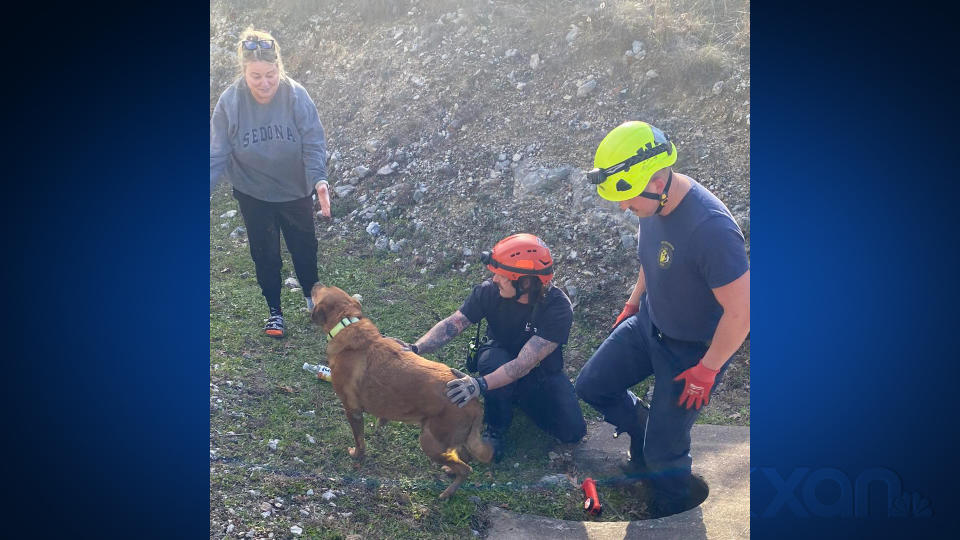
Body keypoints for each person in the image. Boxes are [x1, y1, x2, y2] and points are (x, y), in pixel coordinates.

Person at [574, 121, 750, 514]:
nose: (624, 206)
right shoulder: (651, 202)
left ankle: (670, 513)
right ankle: (645, 424)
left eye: (629, 198)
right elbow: (649, 260)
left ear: (657, 179)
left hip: (691, 354)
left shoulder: (711, 230)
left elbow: (742, 313)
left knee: (664, 453)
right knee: (592, 385)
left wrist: (708, 369)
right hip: (649, 324)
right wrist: (634, 305)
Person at [394, 234, 586, 462]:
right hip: (499, 355)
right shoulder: (489, 292)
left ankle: (516, 395)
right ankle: (495, 427)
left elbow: (523, 364)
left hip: (539, 370)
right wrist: (415, 349)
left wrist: (478, 385)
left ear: (525, 282)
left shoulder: (557, 308)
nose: (494, 279)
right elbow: (454, 323)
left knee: (572, 432)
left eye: (502, 276)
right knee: (492, 362)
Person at [210, 27, 332, 339]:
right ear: (244, 72)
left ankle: (312, 302)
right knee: (264, 252)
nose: (265, 83)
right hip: (253, 191)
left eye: (270, 74)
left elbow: (313, 141)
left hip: (294, 190)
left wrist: (319, 179)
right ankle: (275, 312)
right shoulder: (230, 102)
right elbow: (216, 153)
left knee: (304, 246)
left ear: (279, 68)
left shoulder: (295, 94)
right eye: (256, 76)